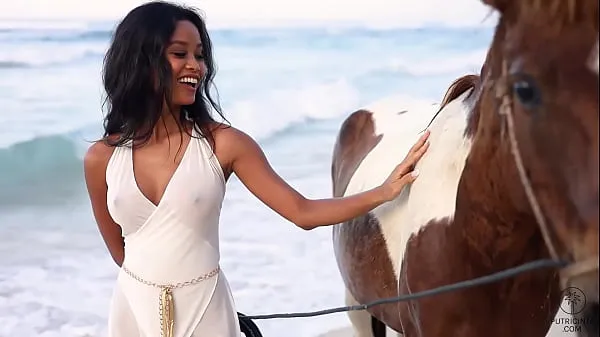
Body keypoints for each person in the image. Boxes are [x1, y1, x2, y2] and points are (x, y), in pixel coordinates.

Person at [83, 1, 431, 337]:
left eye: (200, 55)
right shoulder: (102, 158)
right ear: (142, 60)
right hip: (133, 310)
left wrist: (385, 191)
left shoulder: (225, 145)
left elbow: (302, 212)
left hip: (206, 309)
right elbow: (121, 252)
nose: (196, 66)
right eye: (180, 54)